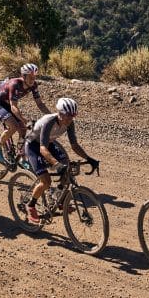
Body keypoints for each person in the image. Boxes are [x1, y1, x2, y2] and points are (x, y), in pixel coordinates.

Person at [22, 96, 98, 224]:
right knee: (46, 181)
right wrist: (56, 164)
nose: (70, 119)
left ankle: (57, 197)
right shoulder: (48, 122)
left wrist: (89, 159)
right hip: (33, 146)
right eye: (68, 116)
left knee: (67, 168)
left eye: (73, 116)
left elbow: (74, 145)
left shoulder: (69, 123)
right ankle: (31, 205)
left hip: (48, 144)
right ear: (60, 113)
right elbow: (42, 149)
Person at [0, 63, 50, 163]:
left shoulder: (33, 85)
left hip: (7, 102)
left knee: (23, 129)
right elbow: (13, 106)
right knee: (14, 126)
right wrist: (24, 120)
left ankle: (21, 156)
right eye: (30, 77)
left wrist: (51, 115)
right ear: (23, 76)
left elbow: (40, 103)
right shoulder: (15, 84)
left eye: (34, 77)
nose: (32, 79)